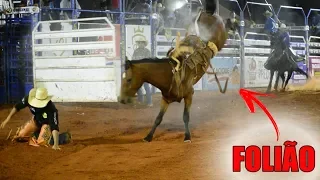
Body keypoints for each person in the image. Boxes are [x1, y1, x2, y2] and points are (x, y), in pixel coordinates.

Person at [0, 87, 71, 150]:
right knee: (20, 136)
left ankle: (64, 137)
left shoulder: (51, 108)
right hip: (36, 121)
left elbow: (54, 126)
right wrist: (7, 119)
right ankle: (37, 134)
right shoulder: (28, 98)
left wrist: (56, 144)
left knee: (42, 142)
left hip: (46, 124)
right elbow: (17, 107)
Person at [132, 37, 153, 107]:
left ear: (144, 44)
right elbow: (133, 60)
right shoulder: (136, 51)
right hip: (138, 72)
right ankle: (140, 100)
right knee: (138, 87)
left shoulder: (147, 51)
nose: (140, 44)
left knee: (146, 87)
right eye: (139, 43)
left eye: (142, 43)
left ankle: (149, 102)